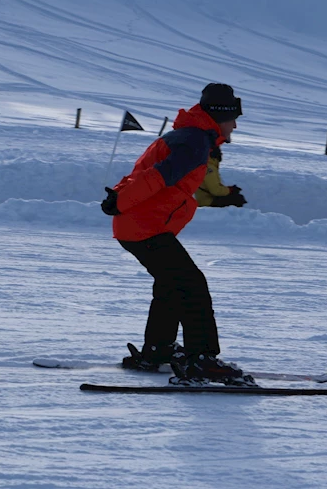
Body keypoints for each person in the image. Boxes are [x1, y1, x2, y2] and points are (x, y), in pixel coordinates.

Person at [100, 83, 251, 385]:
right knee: (191, 284)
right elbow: (155, 177)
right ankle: (203, 359)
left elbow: (164, 181)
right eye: (234, 118)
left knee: (172, 283)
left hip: (139, 224)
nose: (235, 125)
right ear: (220, 116)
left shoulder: (191, 137)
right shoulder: (194, 141)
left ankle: (158, 350)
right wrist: (120, 201)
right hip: (145, 225)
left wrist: (120, 199)